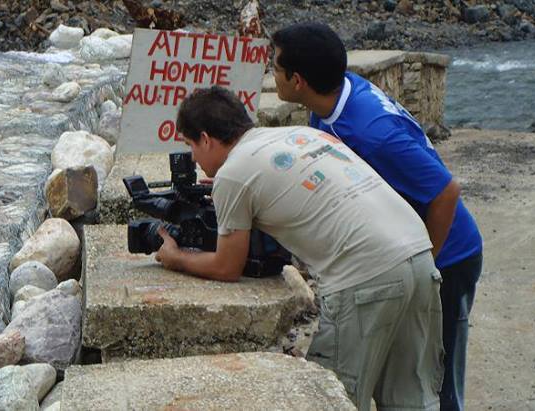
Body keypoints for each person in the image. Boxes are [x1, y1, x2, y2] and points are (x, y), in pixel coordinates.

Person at [156, 86, 443, 411]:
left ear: (206, 139)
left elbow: (227, 267)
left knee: (332, 399)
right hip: (419, 254)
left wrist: (177, 258)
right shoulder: (298, 134)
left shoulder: (234, 175)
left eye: (191, 146)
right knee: (413, 400)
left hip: (365, 274)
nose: (193, 158)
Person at [270, 22, 483, 411]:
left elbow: (446, 192)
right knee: (396, 375)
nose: (271, 73)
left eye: (275, 67)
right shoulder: (330, 102)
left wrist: (427, 269)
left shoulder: (373, 132)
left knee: (434, 379)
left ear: (297, 81)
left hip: (448, 256)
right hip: (398, 252)